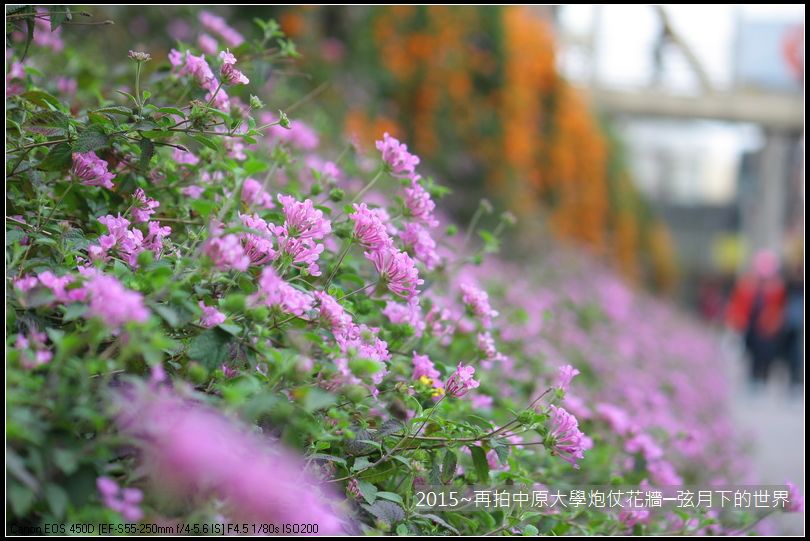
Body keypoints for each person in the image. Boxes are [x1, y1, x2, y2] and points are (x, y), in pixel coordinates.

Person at [725, 251, 786, 388]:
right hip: (749, 325)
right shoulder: (746, 284)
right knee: (749, 350)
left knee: (765, 352)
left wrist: (774, 322)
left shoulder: (776, 287)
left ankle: (761, 377)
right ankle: (752, 378)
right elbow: (737, 304)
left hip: (767, 327)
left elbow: (779, 308)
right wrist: (735, 320)